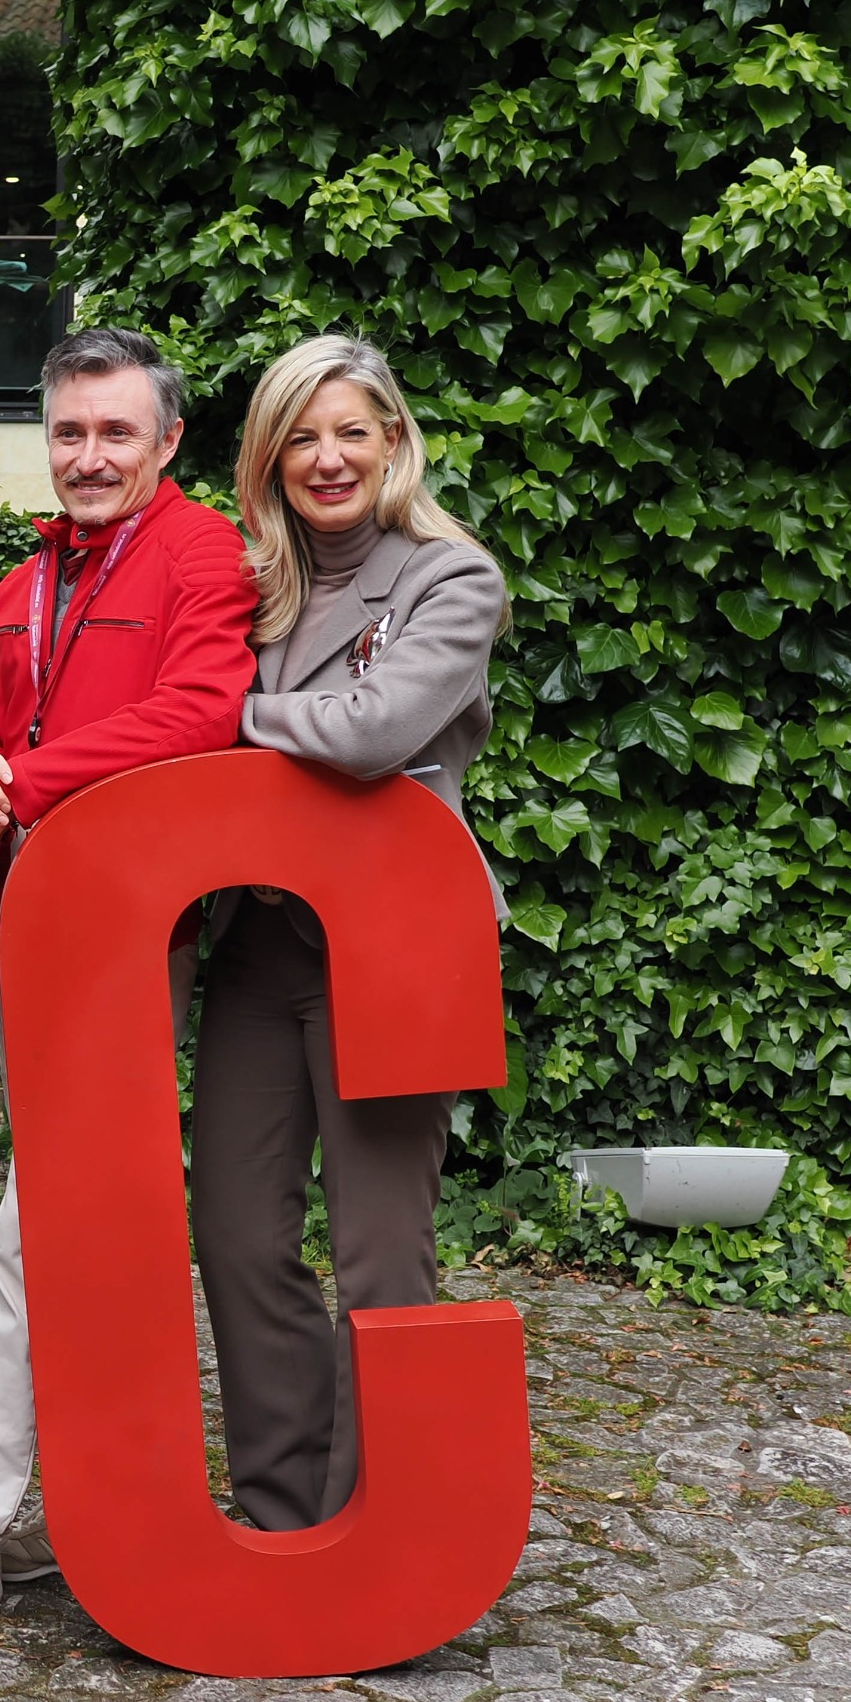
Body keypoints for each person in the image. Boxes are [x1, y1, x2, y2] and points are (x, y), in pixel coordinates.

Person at [0, 327, 258, 1647]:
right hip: (44, 927)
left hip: (140, 931)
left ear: (168, 442)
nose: (89, 456)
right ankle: (92, 1505)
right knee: (77, 1227)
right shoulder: (26, 579)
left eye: (115, 433)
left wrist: (22, 786)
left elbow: (202, 714)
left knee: (34, 1230)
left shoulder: (203, 555)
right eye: (69, 432)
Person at [189, 333, 508, 1531]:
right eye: (300, 438)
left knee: (380, 1255)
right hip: (260, 946)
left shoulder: (450, 578)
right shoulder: (250, 584)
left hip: (396, 947)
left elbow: (375, 733)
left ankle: (378, 1528)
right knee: (234, 1233)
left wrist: (228, 717)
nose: (327, 459)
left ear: (392, 442)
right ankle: (284, 1517)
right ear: (269, 459)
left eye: (350, 433)